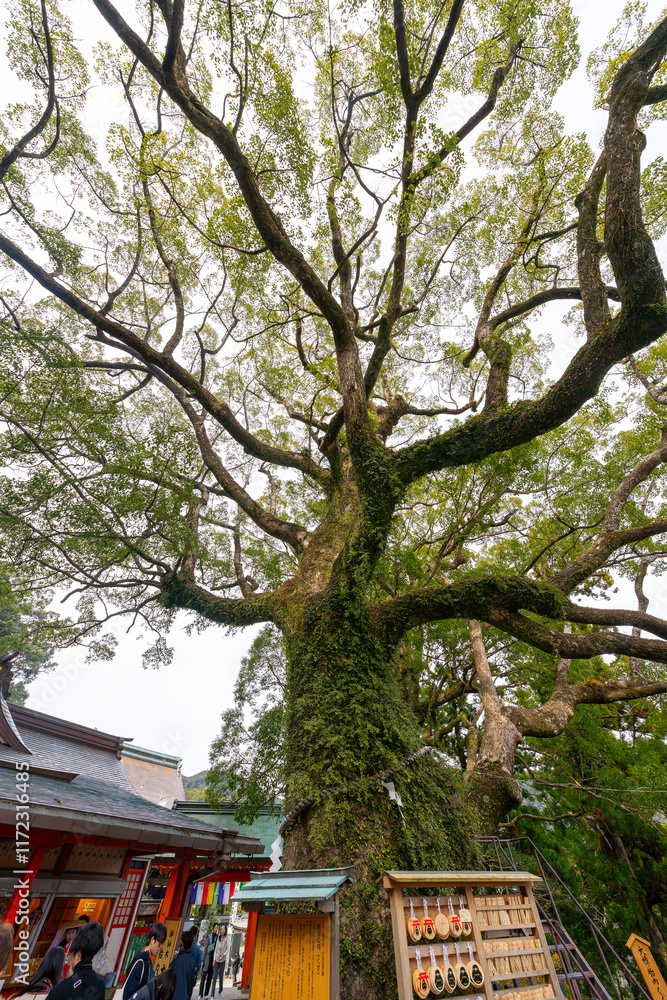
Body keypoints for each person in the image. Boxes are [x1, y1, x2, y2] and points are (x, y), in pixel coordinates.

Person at [45, 922, 105, 1000]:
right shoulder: (100, 982)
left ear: (78, 956)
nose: (70, 960)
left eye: (72, 955)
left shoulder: (62, 988)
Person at [123, 923, 167, 1000]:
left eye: (162, 943)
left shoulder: (147, 961)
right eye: (159, 942)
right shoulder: (140, 962)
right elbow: (127, 993)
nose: (160, 947)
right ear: (152, 940)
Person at [169, 931, 197, 1000]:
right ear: (191, 945)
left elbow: (168, 979)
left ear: (182, 943)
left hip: (173, 996)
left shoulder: (176, 960)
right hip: (185, 996)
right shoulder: (192, 962)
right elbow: (192, 983)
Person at [197, 925, 218, 998]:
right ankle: (200, 994)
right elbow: (205, 949)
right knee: (203, 979)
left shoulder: (218, 938)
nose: (216, 929)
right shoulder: (209, 937)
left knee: (209, 979)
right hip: (207, 960)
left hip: (213, 962)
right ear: (213, 929)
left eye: (217, 928)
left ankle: (206, 994)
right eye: (215, 928)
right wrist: (202, 960)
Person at [209, 927, 228, 999]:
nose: (221, 930)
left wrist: (224, 954)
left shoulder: (227, 938)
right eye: (221, 929)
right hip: (217, 959)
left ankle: (220, 991)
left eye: (223, 929)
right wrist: (214, 959)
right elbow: (216, 949)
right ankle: (212, 995)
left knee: (220, 976)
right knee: (214, 977)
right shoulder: (218, 938)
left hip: (222, 960)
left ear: (225, 930)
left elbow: (228, 948)